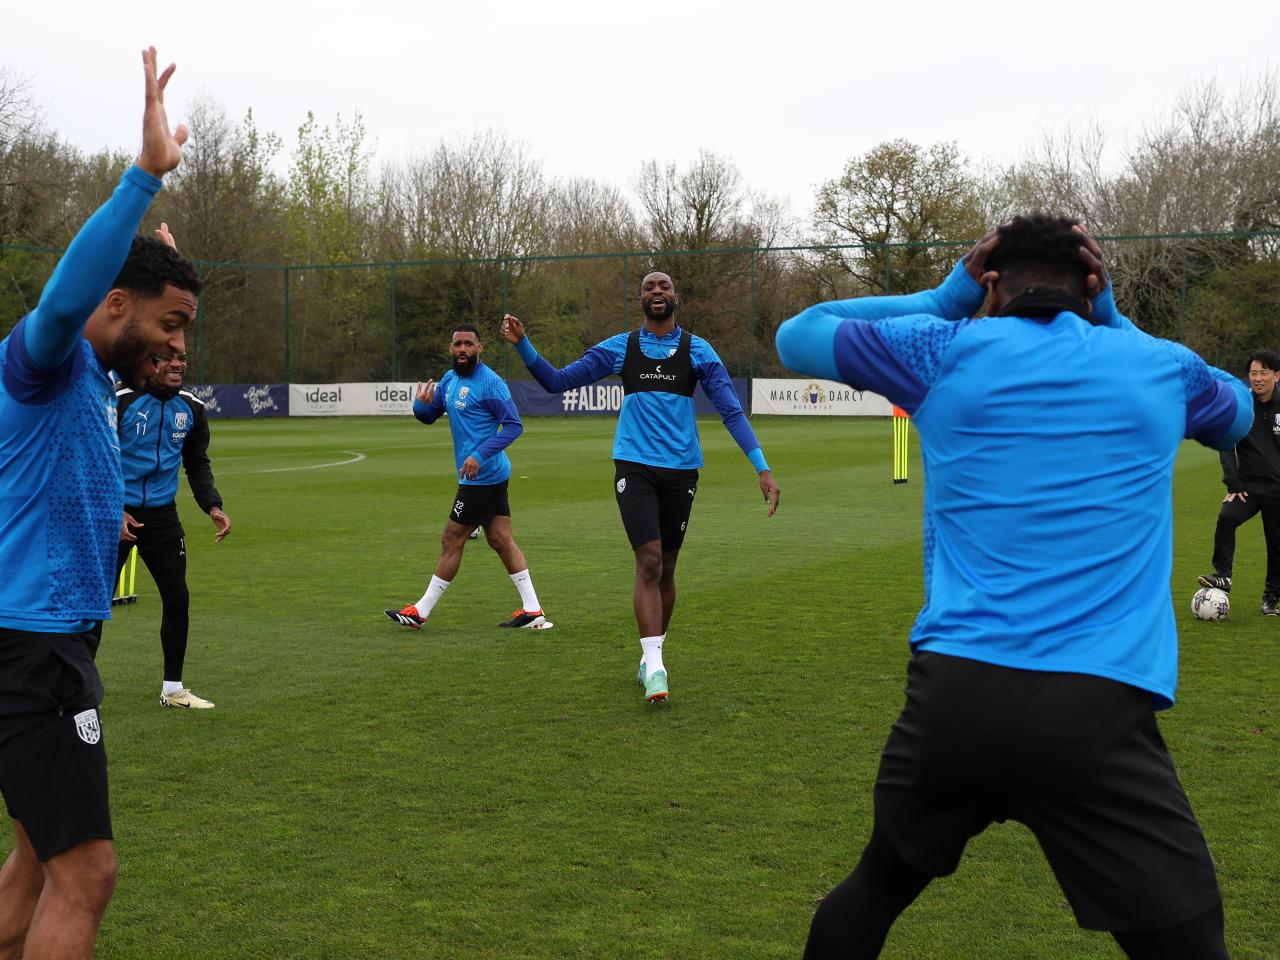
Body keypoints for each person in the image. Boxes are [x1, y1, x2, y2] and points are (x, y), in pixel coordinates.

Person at [775, 215, 1251, 959]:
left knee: (874, 890)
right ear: (1091, 283)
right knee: (1190, 943)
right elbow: (1237, 414)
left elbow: (799, 333)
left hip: (957, 696)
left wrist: (943, 297)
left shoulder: (944, 347)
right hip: (1097, 708)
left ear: (991, 280)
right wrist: (1118, 317)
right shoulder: (1157, 364)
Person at [0, 47, 195, 960]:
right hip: (30, 647)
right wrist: (142, 180)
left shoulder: (94, 377)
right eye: (171, 321)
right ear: (114, 304)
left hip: (56, 638)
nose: (177, 342)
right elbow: (65, 297)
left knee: (39, 857)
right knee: (90, 871)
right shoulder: (43, 361)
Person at [500, 271, 780, 703]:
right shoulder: (621, 348)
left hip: (682, 471)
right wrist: (523, 344)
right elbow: (558, 382)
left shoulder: (699, 351)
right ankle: (656, 668)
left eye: (663, 286)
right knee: (648, 562)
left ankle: (651, 657)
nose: (656, 292)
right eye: (649, 287)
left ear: (676, 297)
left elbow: (731, 412)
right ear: (640, 298)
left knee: (667, 567)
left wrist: (761, 467)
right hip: (635, 467)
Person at [384, 324, 549, 632]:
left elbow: (514, 425)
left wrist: (479, 454)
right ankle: (532, 610)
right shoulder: (449, 379)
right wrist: (420, 405)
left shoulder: (491, 383)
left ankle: (420, 611)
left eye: (468, 344)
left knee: (452, 538)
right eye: (457, 343)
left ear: (479, 348)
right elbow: (430, 415)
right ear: (451, 348)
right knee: (501, 539)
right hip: (488, 476)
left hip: (482, 478)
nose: (462, 349)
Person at [112, 349, 231, 708]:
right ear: (147, 363)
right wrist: (113, 510)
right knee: (93, 605)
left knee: (178, 598)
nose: (177, 364)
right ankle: (73, 692)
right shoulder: (119, 401)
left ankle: (173, 690)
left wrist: (212, 505)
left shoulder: (191, 407)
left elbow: (197, 462)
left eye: (182, 357)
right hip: (113, 515)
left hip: (162, 516)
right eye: (167, 358)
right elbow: (93, 458)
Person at [1197, 348, 1280, 615]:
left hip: (1278, 490)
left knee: (1276, 546)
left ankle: (1271, 598)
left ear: (1276, 376)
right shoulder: (1242, 403)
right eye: (1253, 373)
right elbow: (1225, 441)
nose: (1257, 378)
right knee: (1227, 517)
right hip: (1248, 487)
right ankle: (1223, 574)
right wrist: (1233, 482)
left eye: (1263, 373)